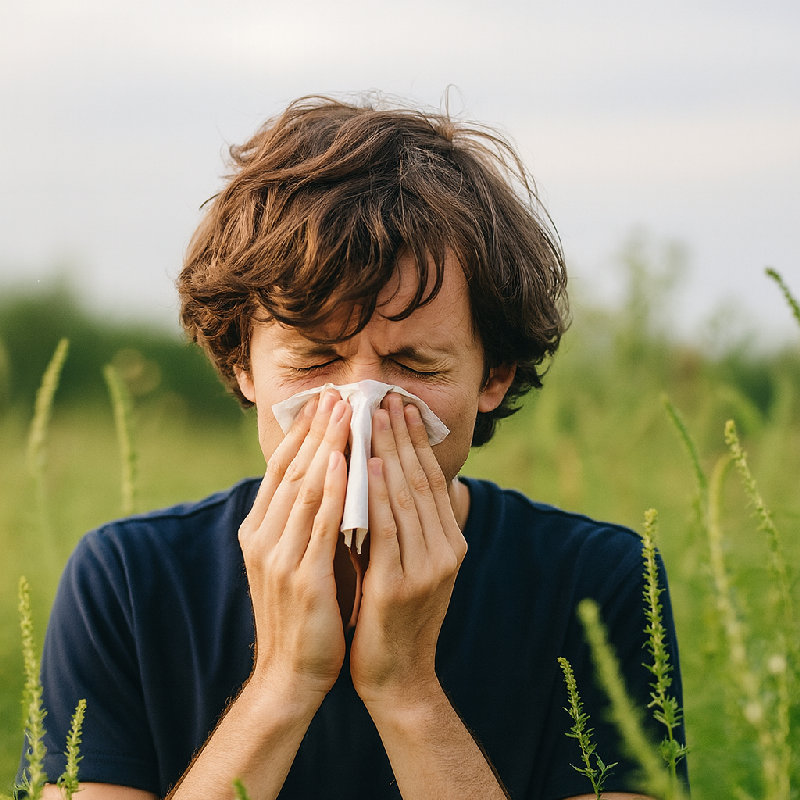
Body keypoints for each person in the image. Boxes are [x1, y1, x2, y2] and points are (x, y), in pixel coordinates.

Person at [22, 95, 685, 799]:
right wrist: (284, 681)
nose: (360, 410)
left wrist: (406, 689)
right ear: (242, 364)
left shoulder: (600, 582)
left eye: (417, 366)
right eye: (314, 361)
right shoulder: (128, 579)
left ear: (494, 375)